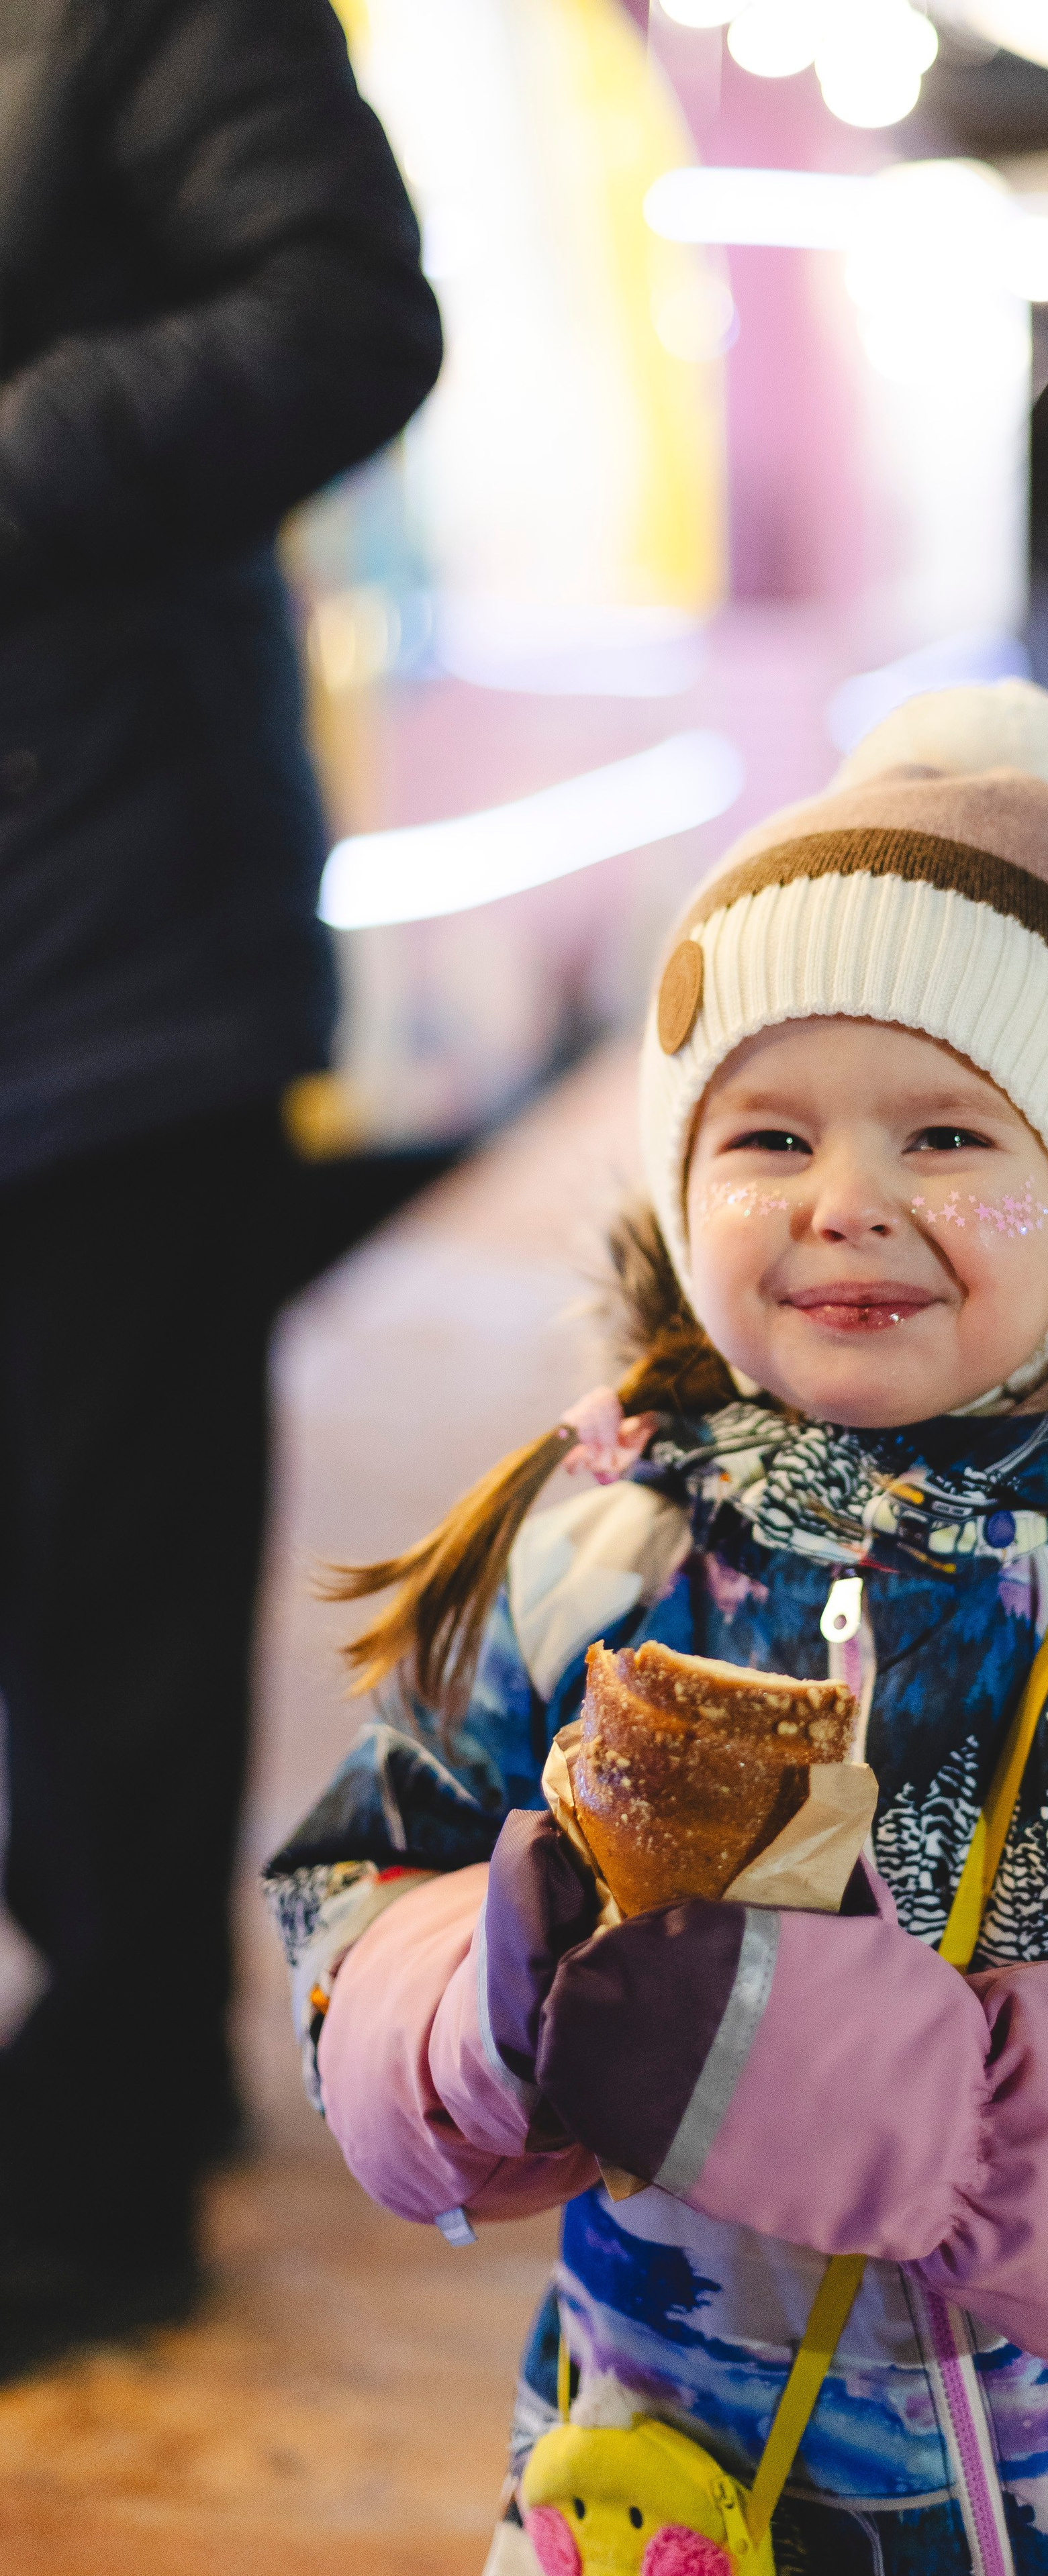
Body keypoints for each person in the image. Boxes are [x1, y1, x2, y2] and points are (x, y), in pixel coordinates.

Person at [267, 680, 1048, 2576]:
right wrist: (468, 2031)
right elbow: (354, 1881)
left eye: (951, 1138)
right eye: (770, 1137)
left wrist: (918, 2109)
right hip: (661, 2490)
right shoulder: (607, 1554)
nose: (849, 1204)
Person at [0, 0, 440, 2379]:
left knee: (108, 1597)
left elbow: (347, 308)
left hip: (100, 930)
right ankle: (113, 2081)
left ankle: (104, 2166)